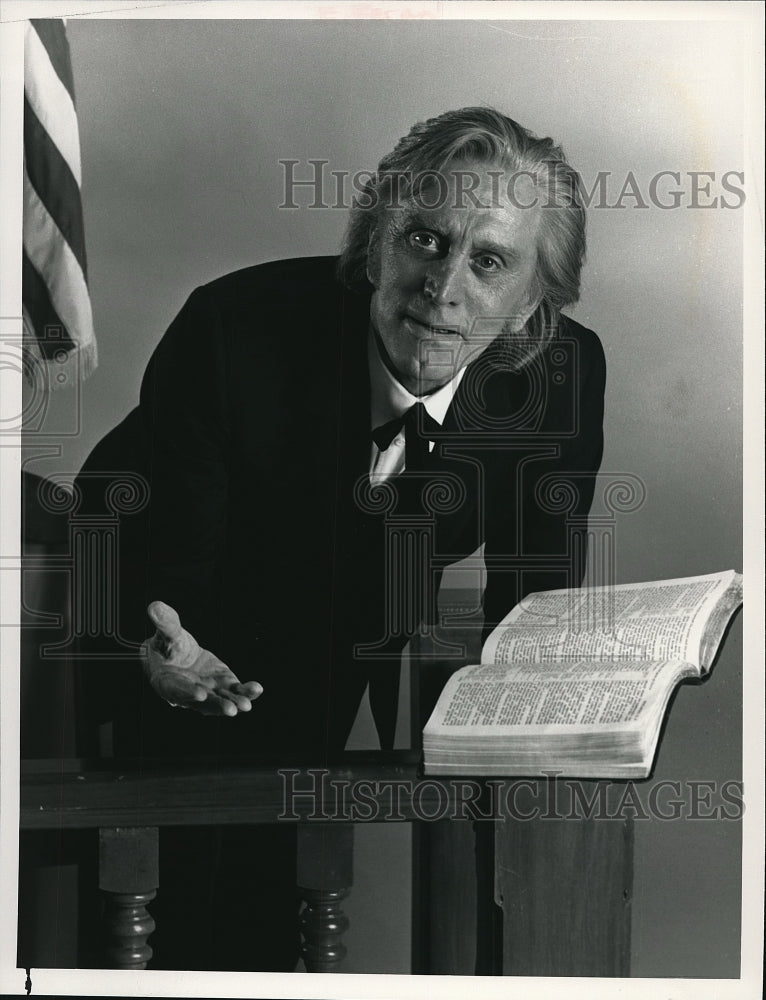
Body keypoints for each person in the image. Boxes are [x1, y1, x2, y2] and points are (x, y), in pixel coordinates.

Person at [76, 106, 605, 971]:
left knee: (290, 883)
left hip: (341, 608)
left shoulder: (561, 374)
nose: (443, 287)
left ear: (528, 309)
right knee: (205, 903)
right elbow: (181, 572)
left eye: (490, 261)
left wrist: (547, 707)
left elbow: (536, 594)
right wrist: (151, 644)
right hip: (149, 584)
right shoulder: (231, 330)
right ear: (374, 247)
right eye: (425, 241)